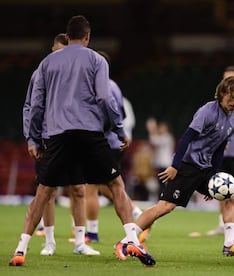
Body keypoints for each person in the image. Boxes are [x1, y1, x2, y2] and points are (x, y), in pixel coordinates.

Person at [10, 15, 154, 267]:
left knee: (43, 193)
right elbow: (104, 98)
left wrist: (33, 139)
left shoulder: (46, 64)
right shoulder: (97, 60)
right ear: (87, 36)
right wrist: (118, 130)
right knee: (116, 185)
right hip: (90, 133)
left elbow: (34, 106)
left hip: (57, 135)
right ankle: (132, 238)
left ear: (66, 36)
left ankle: (21, 248)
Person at [122, 75, 234, 260]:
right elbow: (186, 138)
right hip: (187, 165)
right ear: (222, 93)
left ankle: (230, 243)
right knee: (165, 207)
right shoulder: (207, 111)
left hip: (205, 169)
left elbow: (219, 148)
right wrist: (175, 166)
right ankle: (127, 240)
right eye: (232, 97)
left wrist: (215, 179)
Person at [23, 33, 99, 256]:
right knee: (48, 191)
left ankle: (79, 243)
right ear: (52, 49)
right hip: (49, 138)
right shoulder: (41, 72)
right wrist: (32, 137)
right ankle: (49, 242)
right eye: (56, 52)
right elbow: (30, 106)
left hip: (75, 137)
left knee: (78, 189)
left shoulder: (78, 75)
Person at [83, 50, 144, 244]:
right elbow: (122, 116)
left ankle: (92, 232)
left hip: (100, 142)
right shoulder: (114, 86)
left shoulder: (95, 88)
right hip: (114, 143)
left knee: (91, 188)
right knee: (112, 185)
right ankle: (135, 213)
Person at [206, 65, 234, 236]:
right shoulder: (220, 103)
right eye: (225, 78)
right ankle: (222, 224)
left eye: (231, 77)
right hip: (220, 153)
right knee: (219, 188)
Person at [146, 118, 175, 200]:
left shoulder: (168, 137)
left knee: (165, 184)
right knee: (160, 184)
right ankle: (162, 199)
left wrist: (152, 129)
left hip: (165, 164)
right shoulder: (163, 137)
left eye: (162, 127)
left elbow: (154, 141)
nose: (160, 128)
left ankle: (167, 199)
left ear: (166, 128)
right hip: (160, 164)